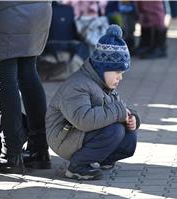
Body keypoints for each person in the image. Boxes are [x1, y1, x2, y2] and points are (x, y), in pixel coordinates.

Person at [46, 25, 140, 180]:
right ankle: (77, 166)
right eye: (117, 72)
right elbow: (83, 120)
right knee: (115, 130)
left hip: (79, 134)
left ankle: (100, 159)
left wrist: (132, 118)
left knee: (129, 137)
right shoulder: (78, 85)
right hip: (63, 137)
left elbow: (119, 107)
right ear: (103, 68)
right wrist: (119, 113)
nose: (120, 77)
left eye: (122, 73)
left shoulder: (104, 83)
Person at [0, 1, 52, 173]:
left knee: (4, 78)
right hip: (37, 11)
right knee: (29, 73)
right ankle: (39, 150)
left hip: (2, 13)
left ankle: (10, 154)